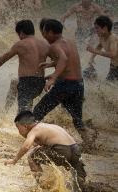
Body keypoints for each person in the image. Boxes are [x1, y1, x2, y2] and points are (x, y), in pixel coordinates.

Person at [35, 19, 95, 149]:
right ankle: (90, 143)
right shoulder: (70, 42)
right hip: (78, 84)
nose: (44, 36)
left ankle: (36, 140)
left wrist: (53, 77)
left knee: (38, 111)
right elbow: (68, 60)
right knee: (77, 119)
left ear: (51, 32)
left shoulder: (54, 46)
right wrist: (51, 64)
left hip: (65, 85)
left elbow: (63, 58)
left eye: (44, 32)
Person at [5, 111, 86, 189]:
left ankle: (41, 187)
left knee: (32, 156)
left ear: (25, 126)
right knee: (79, 179)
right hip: (75, 150)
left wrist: (14, 160)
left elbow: (26, 146)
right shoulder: (47, 126)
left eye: (18, 128)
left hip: (61, 150)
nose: (19, 132)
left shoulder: (34, 130)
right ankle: (85, 191)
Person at [0, 20, 50, 113]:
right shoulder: (44, 44)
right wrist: (54, 75)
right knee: (14, 83)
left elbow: (4, 58)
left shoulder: (20, 44)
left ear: (21, 32)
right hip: (40, 82)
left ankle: (24, 121)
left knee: (24, 112)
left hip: (26, 82)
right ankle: (6, 110)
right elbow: (58, 60)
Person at [87, 16, 118, 81]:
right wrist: (91, 58)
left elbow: (113, 54)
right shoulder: (102, 36)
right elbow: (99, 46)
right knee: (108, 85)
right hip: (113, 66)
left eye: (97, 28)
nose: (95, 31)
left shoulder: (113, 38)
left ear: (105, 28)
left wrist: (94, 51)